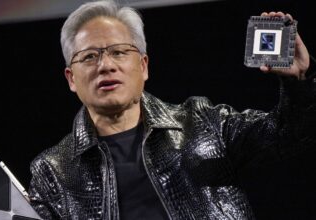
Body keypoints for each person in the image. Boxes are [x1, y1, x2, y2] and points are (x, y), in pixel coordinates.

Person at [28, 0, 316, 219]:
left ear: (143, 66)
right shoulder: (53, 171)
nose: (106, 65)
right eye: (89, 56)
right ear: (71, 79)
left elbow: (290, 135)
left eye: (118, 51)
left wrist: (301, 82)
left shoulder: (203, 122)